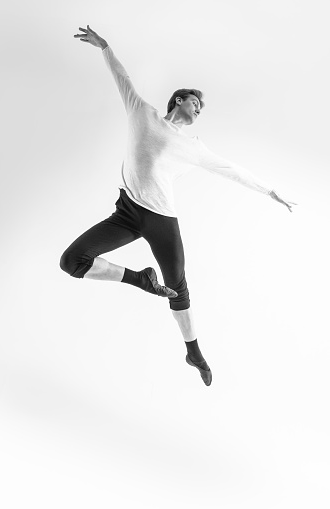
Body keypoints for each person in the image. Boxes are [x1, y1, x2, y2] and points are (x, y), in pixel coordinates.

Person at [60, 25, 296, 387]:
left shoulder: (195, 148)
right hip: (126, 212)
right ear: (178, 101)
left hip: (161, 220)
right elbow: (121, 77)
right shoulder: (142, 112)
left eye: (200, 107)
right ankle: (140, 279)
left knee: (179, 289)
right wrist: (104, 46)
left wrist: (269, 191)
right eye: (194, 102)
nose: (198, 109)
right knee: (72, 261)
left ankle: (194, 352)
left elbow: (232, 171)